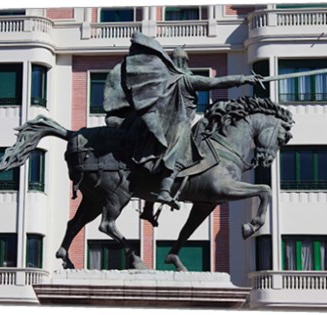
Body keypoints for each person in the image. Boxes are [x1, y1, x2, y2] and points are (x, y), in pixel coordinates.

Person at [106, 32, 263, 212]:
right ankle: (165, 190)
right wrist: (244, 79)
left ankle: (149, 207)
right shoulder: (185, 79)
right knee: (180, 152)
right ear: (183, 63)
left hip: (161, 125)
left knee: (162, 156)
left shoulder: (164, 80)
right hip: (177, 125)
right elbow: (215, 82)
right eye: (186, 62)